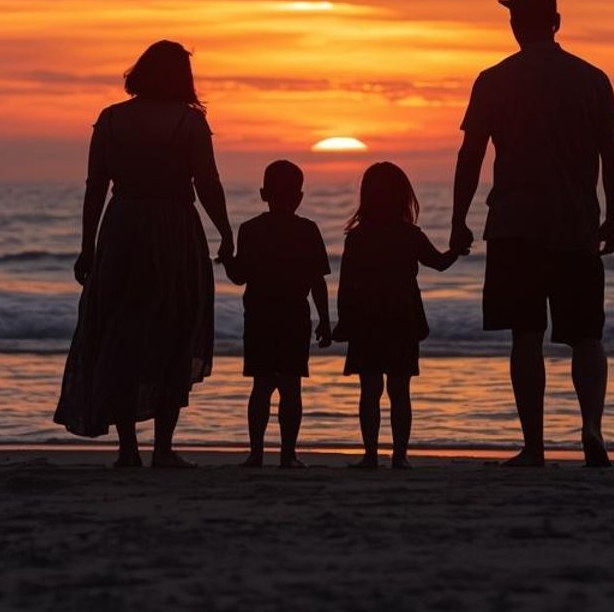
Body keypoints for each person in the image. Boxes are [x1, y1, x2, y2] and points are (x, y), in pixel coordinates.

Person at [451, 0, 614, 468]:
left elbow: (471, 155)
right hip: (576, 225)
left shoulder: (493, 79)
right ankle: (592, 428)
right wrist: (613, 215)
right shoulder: (591, 78)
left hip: (514, 225)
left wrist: (458, 219)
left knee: (525, 335)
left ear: (514, 24)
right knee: (587, 335)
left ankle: (534, 444)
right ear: (557, 22)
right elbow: (613, 156)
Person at [53, 40, 233, 468]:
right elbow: (207, 183)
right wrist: (226, 232)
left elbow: (95, 187)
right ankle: (163, 449)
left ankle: (128, 449)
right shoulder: (188, 123)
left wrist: (87, 246)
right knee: (173, 330)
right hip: (173, 229)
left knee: (121, 334)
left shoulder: (111, 119)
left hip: (122, 228)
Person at [333, 162, 463, 469]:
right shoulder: (410, 235)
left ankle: (370, 455)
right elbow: (440, 263)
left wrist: (342, 322)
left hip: (366, 319)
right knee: (400, 391)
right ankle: (400, 456)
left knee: (370, 391)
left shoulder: (357, 238)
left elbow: (345, 286)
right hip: (402, 318)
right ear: (403, 196)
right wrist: (457, 248)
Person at [220, 160, 333, 469]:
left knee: (262, 385)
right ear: (299, 196)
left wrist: (229, 262)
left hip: (260, 314)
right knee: (289, 387)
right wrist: (324, 319)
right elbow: (317, 281)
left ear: (263, 194)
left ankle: (257, 453)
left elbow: (240, 277)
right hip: (293, 314)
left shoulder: (251, 230)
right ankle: (287, 454)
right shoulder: (307, 230)